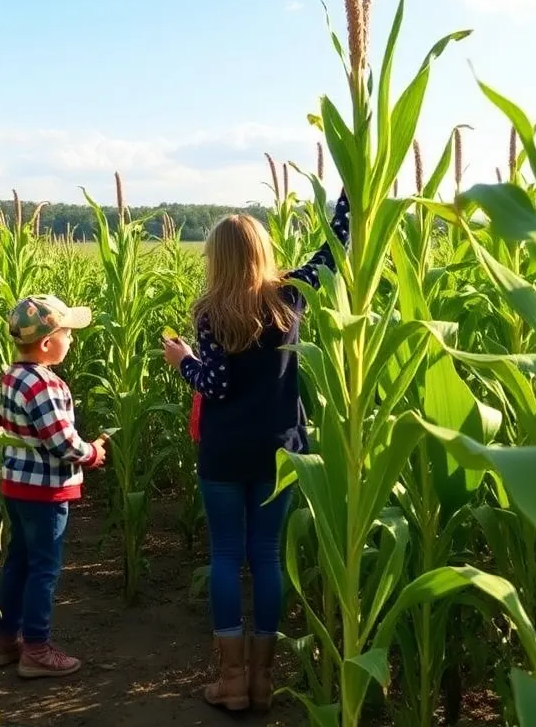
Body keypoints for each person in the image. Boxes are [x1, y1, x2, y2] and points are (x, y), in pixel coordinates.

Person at [163, 189, 350, 712]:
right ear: (264, 253)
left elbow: (214, 384)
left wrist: (182, 359)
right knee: (266, 556)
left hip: (225, 452)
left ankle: (232, 681)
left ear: (217, 259)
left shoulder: (211, 313)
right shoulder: (290, 299)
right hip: (279, 452)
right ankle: (265, 681)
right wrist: (348, 197)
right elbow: (335, 249)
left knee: (226, 555)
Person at [0, 294, 108, 678]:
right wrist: (92, 453)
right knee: (45, 568)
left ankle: (6, 641)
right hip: (45, 492)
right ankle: (37, 649)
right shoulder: (46, 384)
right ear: (45, 343)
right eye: (67, 333)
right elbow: (62, 443)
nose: (71, 340)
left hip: (16, 487)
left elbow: (4, 427)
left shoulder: (12, 377)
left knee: (19, 561)